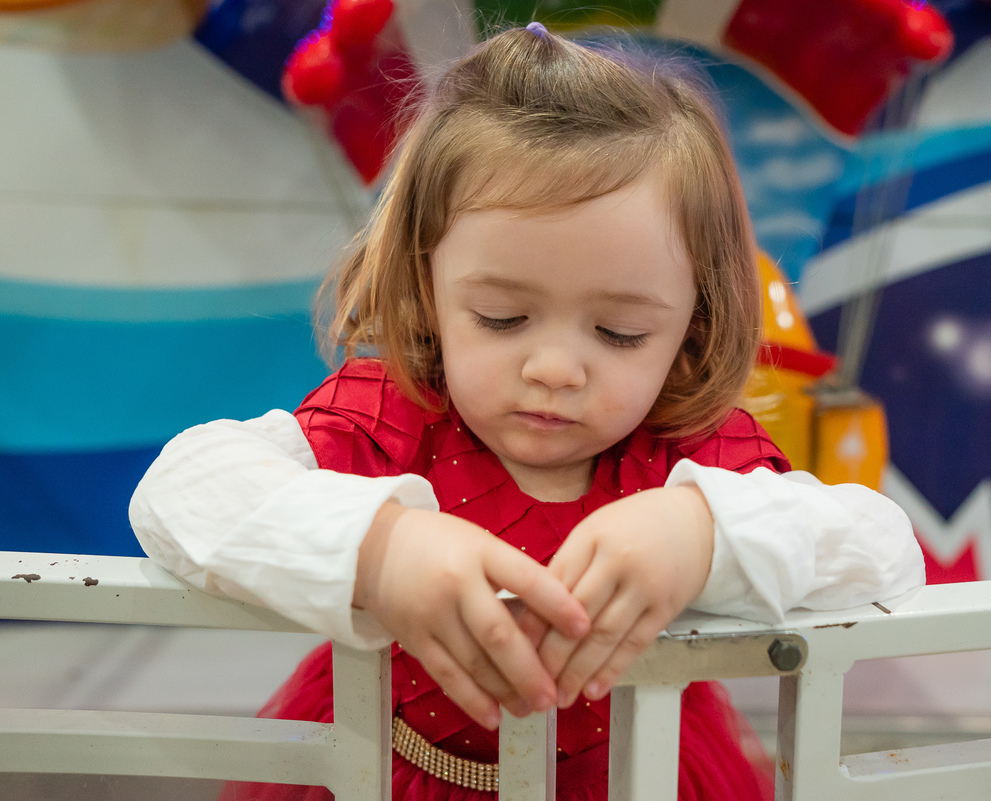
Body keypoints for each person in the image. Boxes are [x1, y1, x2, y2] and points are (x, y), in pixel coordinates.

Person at [130, 22, 924, 801]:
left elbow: (882, 546)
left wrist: (705, 533)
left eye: (620, 332)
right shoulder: (389, 419)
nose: (554, 369)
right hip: (387, 772)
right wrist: (381, 548)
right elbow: (185, 488)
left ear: (694, 324)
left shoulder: (689, 456)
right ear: (428, 288)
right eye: (503, 317)